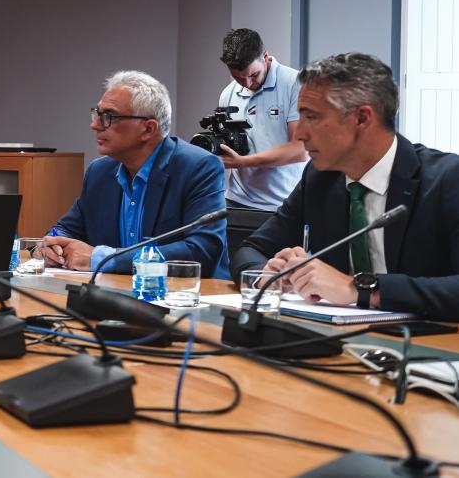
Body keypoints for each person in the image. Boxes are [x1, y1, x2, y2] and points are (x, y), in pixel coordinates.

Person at [231, 53, 459, 320]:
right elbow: (250, 250)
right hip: (338, 341)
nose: (300, 133)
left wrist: (360, 288)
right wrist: (268, 276)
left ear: (362, 118)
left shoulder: (447, 179)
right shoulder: (320, 179)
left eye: (311, 117)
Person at [37, 71, 229, 278]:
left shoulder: (198, 167)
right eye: (97, 114)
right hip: (115, 296)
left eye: (109, 116)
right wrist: (51, 246)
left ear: (148, 129)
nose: (94, 125)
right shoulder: (99, 172)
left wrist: (103, 258)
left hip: (185, 298)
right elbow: (65, 229)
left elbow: (202, 250)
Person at [216, 28, 308, 211]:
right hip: (236, 201)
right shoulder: (228, 94)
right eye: (239, 78)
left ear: (265, 56)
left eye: (253, 75)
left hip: (283, 204)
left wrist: (243, 162)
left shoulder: (295, 84)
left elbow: (301, 149)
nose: (248, 84)